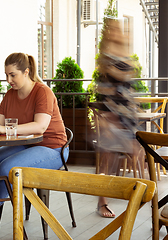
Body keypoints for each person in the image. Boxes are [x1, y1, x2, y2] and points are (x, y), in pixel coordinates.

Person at [0, 52, 68, 237]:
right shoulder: (11, 94)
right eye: (6, 75)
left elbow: (40, 126)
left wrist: (4, 129)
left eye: (12, 75)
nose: (8, 80)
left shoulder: (42, 92)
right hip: (28, 145)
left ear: (26, 72)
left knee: (7, 167)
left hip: (53, 148)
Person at [94, 18, 142, 218]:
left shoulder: (125, 53)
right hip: (111, 114)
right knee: (108, 161)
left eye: (117, 29)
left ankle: (141, 197)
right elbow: (102, 88)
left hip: (127, 114)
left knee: (138, 155)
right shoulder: (104, 57)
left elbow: (128, 82)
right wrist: (106, 117)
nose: (115, 32)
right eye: (111, 29)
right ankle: (102, 202)